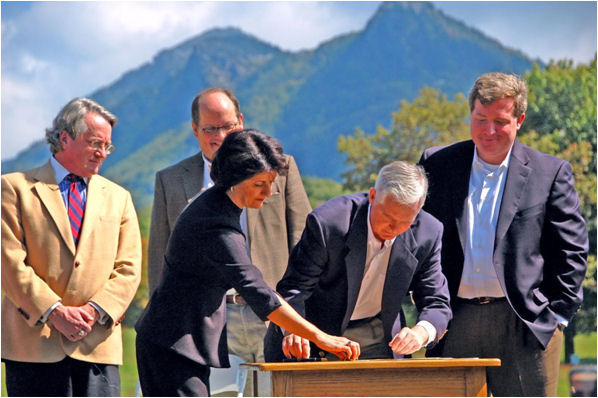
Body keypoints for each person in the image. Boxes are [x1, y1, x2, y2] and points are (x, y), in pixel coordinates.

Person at [135, 129, 360, 396]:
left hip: (179, 341)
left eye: (271, 182)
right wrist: (323, 338)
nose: (268, 192)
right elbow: (260, 293)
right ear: (235, 177)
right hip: (170, 344)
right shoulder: (215, 226)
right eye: (258, 184)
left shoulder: (219, 205)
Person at [419, 72, 588, 396]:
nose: (488, 131)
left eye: (500, 121)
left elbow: (572, 251)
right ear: (470, 114)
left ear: (519, 119)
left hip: (527, 323)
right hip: (457, 319)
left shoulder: (549, 172)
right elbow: (418, 237)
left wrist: (556, 316)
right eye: (480, 119)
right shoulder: (437, 164)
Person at [147, 88, 311, 378]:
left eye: (228, 126)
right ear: (195, 129)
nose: (220, 136)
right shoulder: (169, 180)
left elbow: (304, 246)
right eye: (210, 128)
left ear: (241, 122)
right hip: (211, 319)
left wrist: (298, 317)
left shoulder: (280, 169)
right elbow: (160, 263)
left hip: (276, 316)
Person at [1, 98, 142, 396]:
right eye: (95, 143)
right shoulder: (14, 188)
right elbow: (9, 264)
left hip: (97, 346)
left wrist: (94, 311)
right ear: (64, 138)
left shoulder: (120, 198)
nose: (102, 153)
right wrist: (53, 311)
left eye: (108, 146)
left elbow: (129, 269)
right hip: (33, 348)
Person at [264, 161, 452, 361]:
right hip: (316, 333)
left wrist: (420, 333)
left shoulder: (428, 233)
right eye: (387, 216)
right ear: (372, 196)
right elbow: (295, 288)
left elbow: (437, 301)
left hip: (380, 337)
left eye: (405, 222)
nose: (393, 228)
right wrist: (294, 330)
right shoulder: (329, 224)